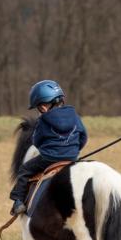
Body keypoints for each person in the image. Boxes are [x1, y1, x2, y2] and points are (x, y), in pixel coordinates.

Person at [9, 79, 88, 215]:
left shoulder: (43, 120)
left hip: (49, 159)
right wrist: (73, 151)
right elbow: (83, 137)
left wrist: (47, 149)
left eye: (39, 107)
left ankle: (18, 201)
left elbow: (37, 141)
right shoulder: (74, 116)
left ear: (43, 106)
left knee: (25, 170)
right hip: (72, 157)